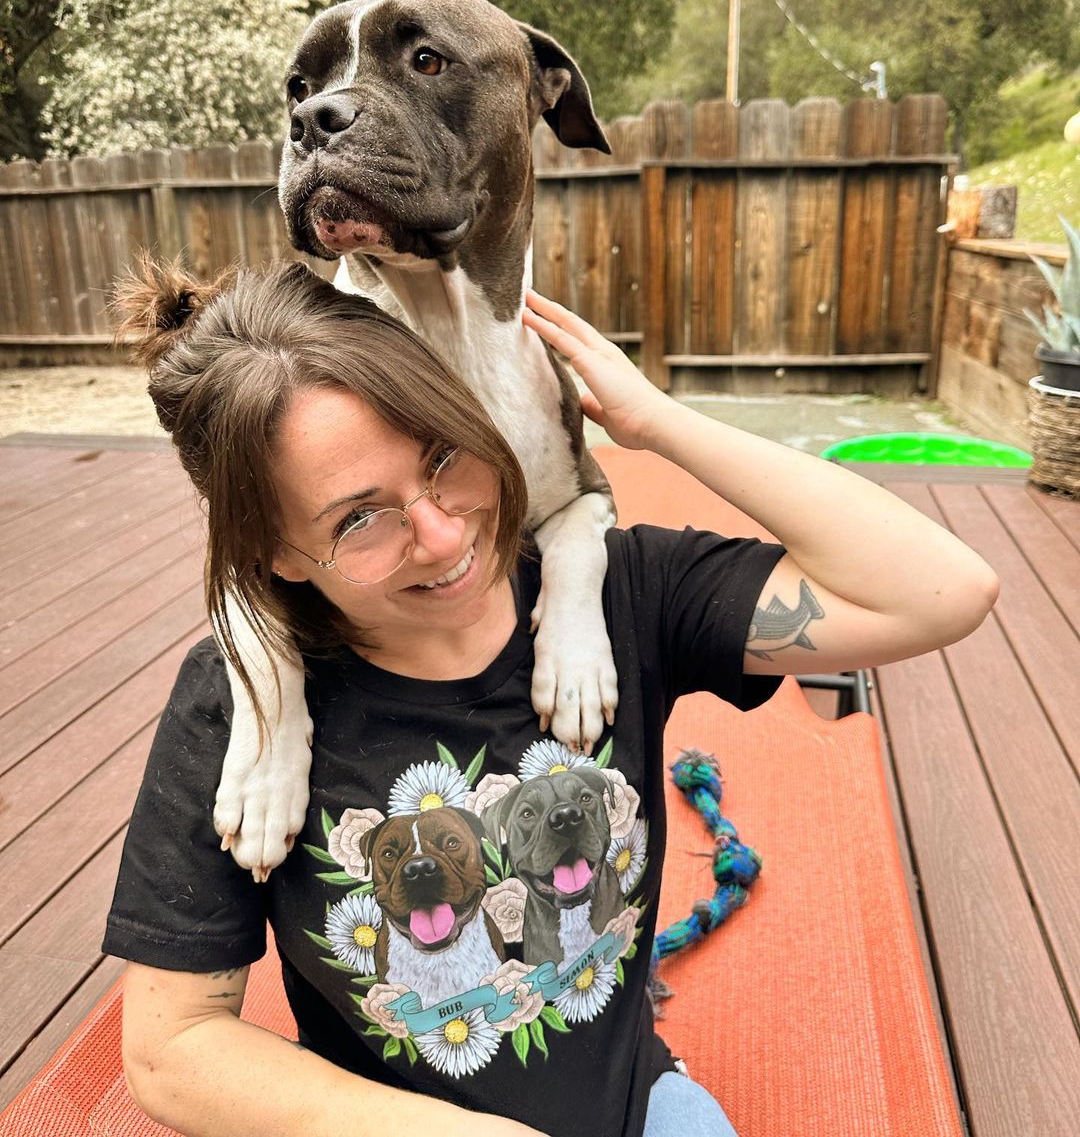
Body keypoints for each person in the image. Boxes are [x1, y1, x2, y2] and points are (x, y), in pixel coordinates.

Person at [104, 257, 998, 1137]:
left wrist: (661, 424)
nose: (445, 534)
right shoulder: (239, 708)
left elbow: (940, 590)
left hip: (637, 1109)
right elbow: (170, 1048)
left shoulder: (622, 595)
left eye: (445, 457)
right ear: (277, 551)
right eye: (359, 520)